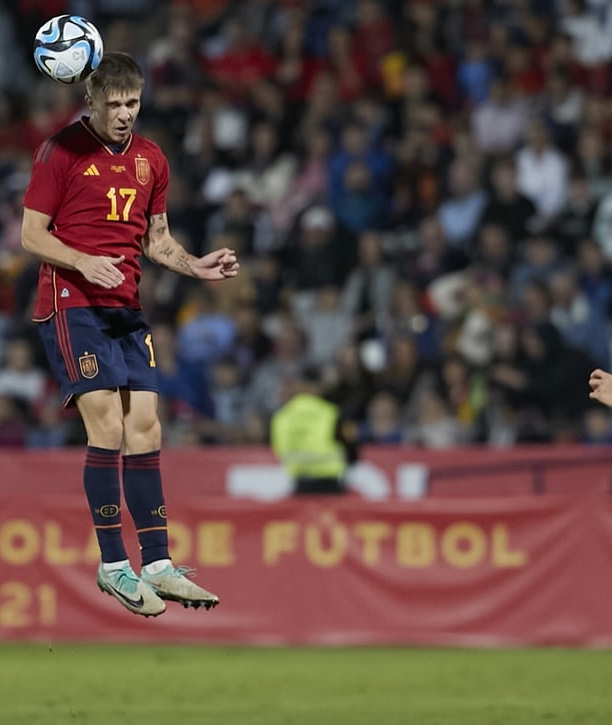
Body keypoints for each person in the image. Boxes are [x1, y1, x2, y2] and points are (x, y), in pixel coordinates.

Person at [21, 52, 236, 617]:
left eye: (132, 103)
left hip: (125, 309)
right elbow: (30, 235)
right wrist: (82, 262)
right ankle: (114, 563)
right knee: (109, 424)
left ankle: (158, 563)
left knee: (146, 426)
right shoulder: (60, 150)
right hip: (72, 304)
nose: (123, 114)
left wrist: (196, 266)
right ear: (90, 101)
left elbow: (156, 241)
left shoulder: (151, 159)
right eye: (113, 104)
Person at [269, 368, 360, 495]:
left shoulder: (281, 417)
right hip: (330, 486)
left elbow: (278, 450)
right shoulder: (333, 414)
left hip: (299, 486)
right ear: (318, 387)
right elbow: (352, 448)